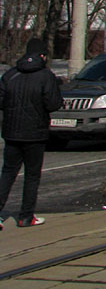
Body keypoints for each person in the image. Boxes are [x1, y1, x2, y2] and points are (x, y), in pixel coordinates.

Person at [0, 38, 62, 228]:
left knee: (8, 173)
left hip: (11, 132)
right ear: (42, 55)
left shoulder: (10, 75)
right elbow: (53, 104)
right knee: (32, 176)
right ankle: (26, 216)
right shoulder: (46, 76)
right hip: (36, 133)